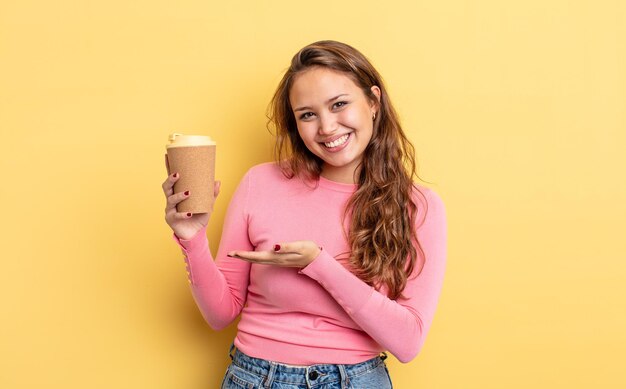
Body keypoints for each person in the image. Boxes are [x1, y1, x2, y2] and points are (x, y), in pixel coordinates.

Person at [162, 40, 447, 389]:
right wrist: (192, 238)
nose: (326, 127)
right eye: (308, 115)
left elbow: (408, 341)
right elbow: (221, 313)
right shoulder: (261, 182)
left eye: (339, 104)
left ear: (373, 102)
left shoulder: (418, 206)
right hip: (255, 378)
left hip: (355, 381)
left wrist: (319, 265)